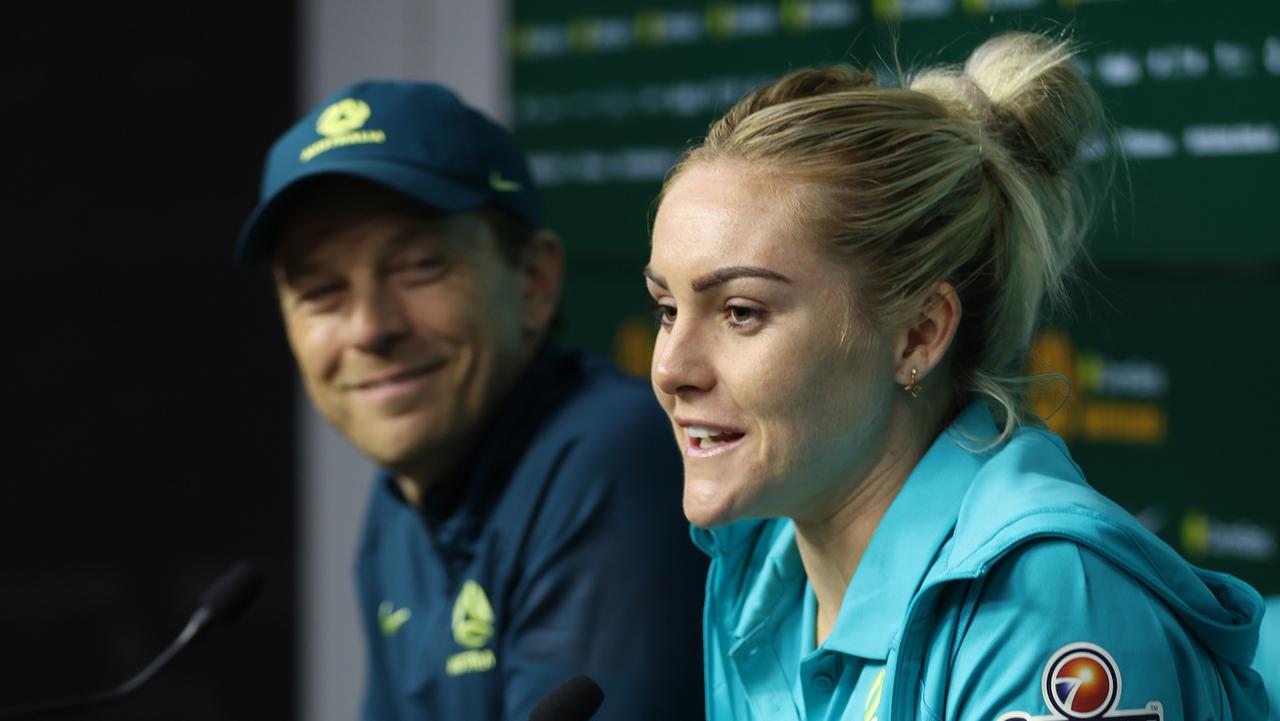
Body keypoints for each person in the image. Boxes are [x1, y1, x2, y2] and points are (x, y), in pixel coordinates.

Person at [644, 32, 1269, 721]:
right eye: (667, 309)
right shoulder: (762, 565)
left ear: (919, 332)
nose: (672, 367)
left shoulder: (1050, 603)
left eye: (739, 311)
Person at [237, 80, 706, 720]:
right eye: (319, 290)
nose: (370, 327)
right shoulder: (403, 500)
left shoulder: (612, 455)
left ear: (535, 280)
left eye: (419, 266)